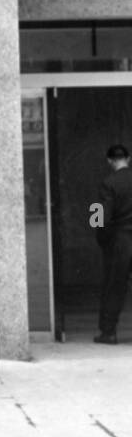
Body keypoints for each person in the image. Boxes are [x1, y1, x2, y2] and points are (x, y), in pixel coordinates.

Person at [95, 143, 132, 344]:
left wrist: (101, 239)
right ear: (129, 158)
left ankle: (108, 332)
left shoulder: (107, 183)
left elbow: (99, 215)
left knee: (114, 287)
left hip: (119, 241)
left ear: (109, 161)